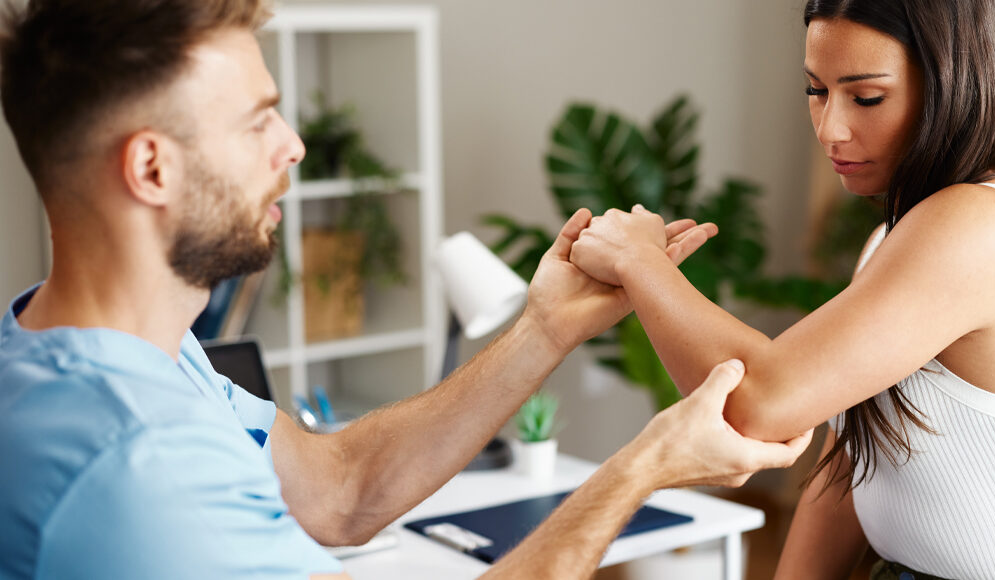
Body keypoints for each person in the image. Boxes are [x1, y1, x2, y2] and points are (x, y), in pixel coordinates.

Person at [0, 1, 813, 579]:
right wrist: (642, 466)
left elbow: (338, 489)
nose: (293, 144)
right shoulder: (136, 464)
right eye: (257, 122)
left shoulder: (109, 354)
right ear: (151, 168)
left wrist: (544, 330)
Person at [568, 0, 995, 578]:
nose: (830, 128)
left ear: (948, 85)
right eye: (815, 91)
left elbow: (754, 407)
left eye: (866, 97)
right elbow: (854, 458)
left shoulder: (975, 224)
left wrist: (639, 262)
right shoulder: (890, 240)